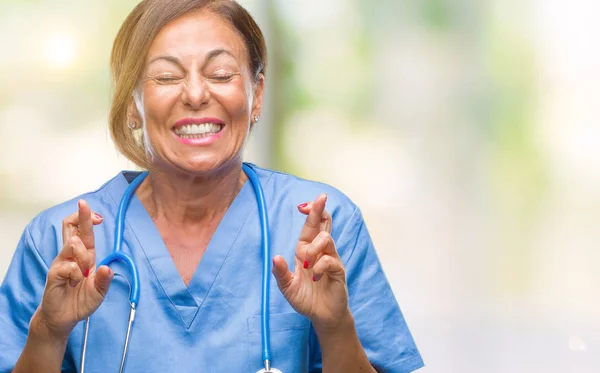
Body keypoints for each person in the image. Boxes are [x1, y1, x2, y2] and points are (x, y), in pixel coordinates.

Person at [0, 0, 424, 372]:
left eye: (220, 73)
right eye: (166, 77)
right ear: (133, 104)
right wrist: (48, 333)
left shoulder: (321, 228)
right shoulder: (59, 242)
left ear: (256, 95)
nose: (196, 94)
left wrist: (335, 328)